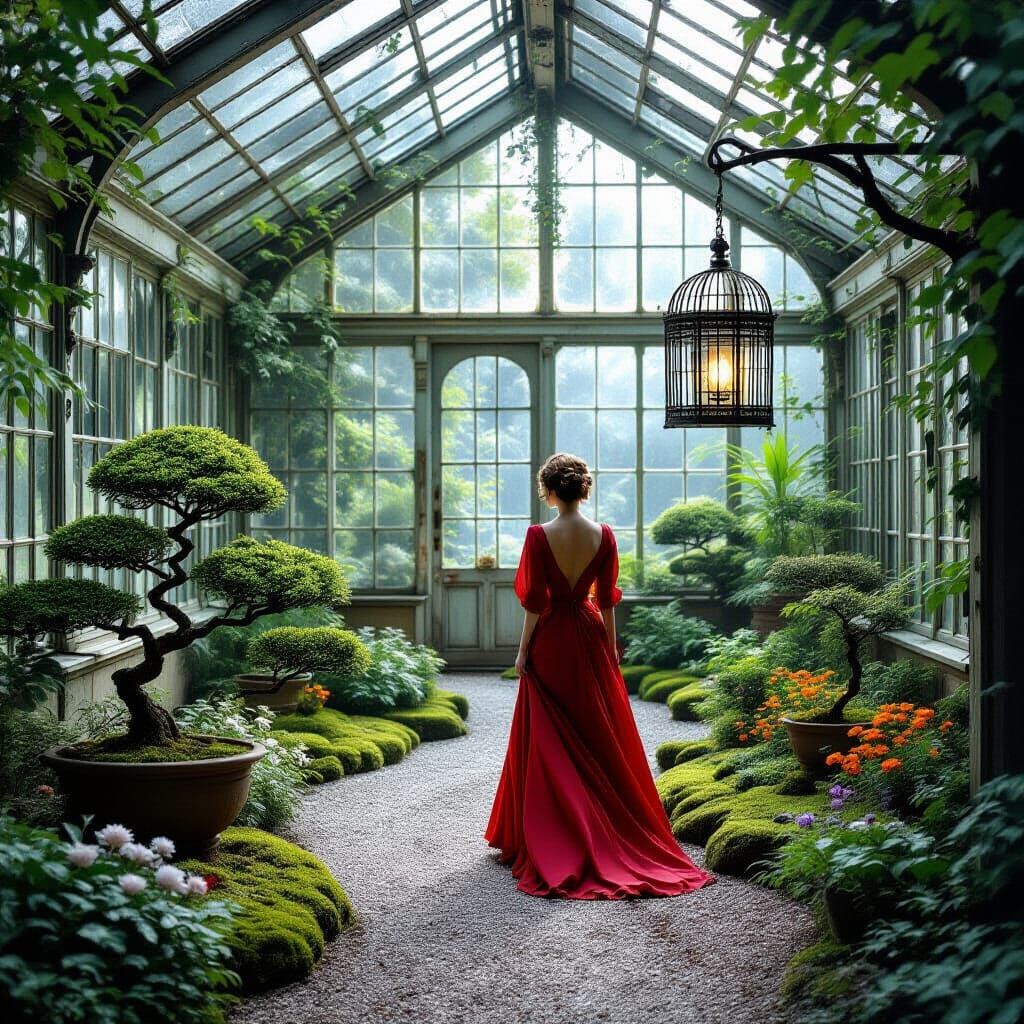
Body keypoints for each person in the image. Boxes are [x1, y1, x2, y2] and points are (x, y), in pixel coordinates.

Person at [485, 453, 715, 900]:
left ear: (549, 490)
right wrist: (609, 646)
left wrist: (522, 650)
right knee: (595, 730)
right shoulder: (603, 535)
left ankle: (547, 833)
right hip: (589, 636)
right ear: (583, 489)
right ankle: (603, 825)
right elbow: (608, 600)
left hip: (552, 637)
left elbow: (534, 603)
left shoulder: (538, 535)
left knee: (548, 732)